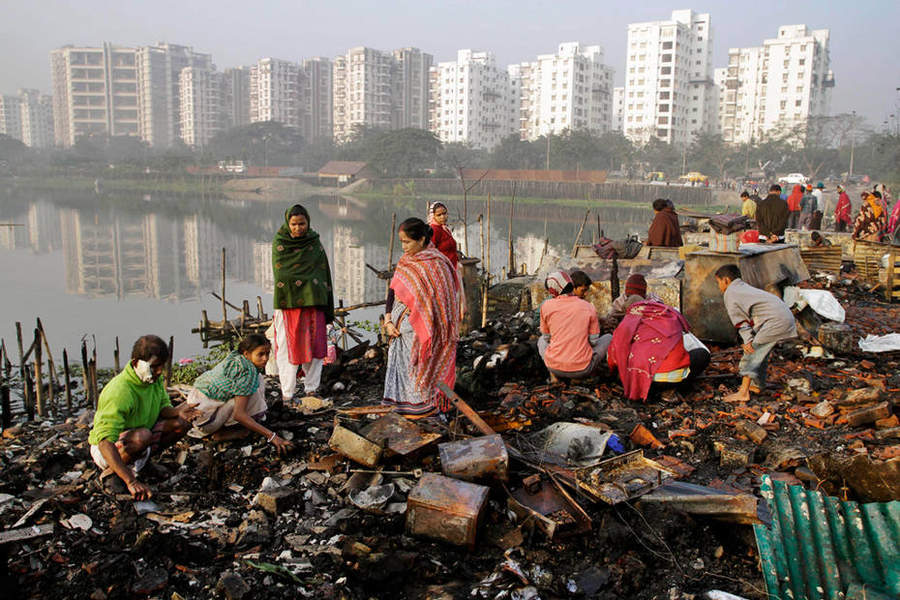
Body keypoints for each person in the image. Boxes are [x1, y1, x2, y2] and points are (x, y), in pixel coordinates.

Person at [88, 335, 200, 500]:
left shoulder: (152, 380)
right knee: (142, 436)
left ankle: (144, 465)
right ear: (136, 363)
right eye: (154, 367)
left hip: (139, 438)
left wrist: (178, 411)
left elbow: (163, 408)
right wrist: (131, 481)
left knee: (181, 424)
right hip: (106, 450)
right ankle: (112, 474)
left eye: (161, 366)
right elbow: (105, 442)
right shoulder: (120, 391)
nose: (160, 371)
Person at [383, 218, 460, 416]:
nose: (403, 246)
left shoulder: (437, 265)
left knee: (418, 371)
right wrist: (389, 319)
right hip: (398, 331)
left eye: (407, 242)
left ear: (422, 239)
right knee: (399, 372)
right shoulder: (405, 262)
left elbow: (444, 302)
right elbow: (392, 292)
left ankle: (424, 412)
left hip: (422, 336)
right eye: (401, 242)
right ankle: (399, 411)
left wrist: (423, 318)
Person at [187, 334, 293, 454]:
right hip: (203, 421)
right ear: (246, 354)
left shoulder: (236, 358)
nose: (265, 358)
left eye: (267, 353)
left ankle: (222, 430)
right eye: (260, 354)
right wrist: (272, 436)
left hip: (199, 411)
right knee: (251, 394)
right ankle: (221, 432)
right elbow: (239, 415)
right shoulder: (246, 373)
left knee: (257, 381)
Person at [271, 204, 334, 402]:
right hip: (289, 305)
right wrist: (307, 282)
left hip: (313, 304)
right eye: (294, 224)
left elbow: (322, 273)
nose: (299, 228)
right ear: (287, 223)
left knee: (316, 347)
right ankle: (287, 392)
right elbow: (282, 274)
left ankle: (311, 389)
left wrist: (310, 285)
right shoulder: (280, 244)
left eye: (302, 223)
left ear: (308, 223)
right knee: (287, 347)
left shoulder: (314, 243)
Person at [715, 265, 797, 403]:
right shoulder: (742, 287)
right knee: (761, 352)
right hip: (783, 316)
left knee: (752, 352)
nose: (719, 287)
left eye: (718, 282)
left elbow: (740, 320)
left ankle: (743, 392)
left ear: (726, 280)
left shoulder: (731, 292)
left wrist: (747, 340)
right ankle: (757, 385)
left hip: (775, 321)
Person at [606, 299, 709, 401]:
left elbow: (612, 359)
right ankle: (669, 391)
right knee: (702, 355)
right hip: (664, 381)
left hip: (633, 381)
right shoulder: (669, 318)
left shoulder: (626, 323)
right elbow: (681, 352)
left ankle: (645, 389)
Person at [538, 270, 611, 381]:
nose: (586, 294)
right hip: (582, 369)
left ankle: (553, 377)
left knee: (541, 341)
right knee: (609, 338)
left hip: (554, 367)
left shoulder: (546, 306)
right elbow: (594, 342)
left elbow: (546, 338)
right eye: (584, 290)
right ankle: (585, 377)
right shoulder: (588, 307)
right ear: (571, 284)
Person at [428, 202, 459, 268]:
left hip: (451, 267)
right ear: (433, 216)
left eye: (444, 213)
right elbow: (430, 252)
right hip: (442, 269)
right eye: (439, 215)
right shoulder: (434, 230)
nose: (443, 217)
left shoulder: (444, 229)